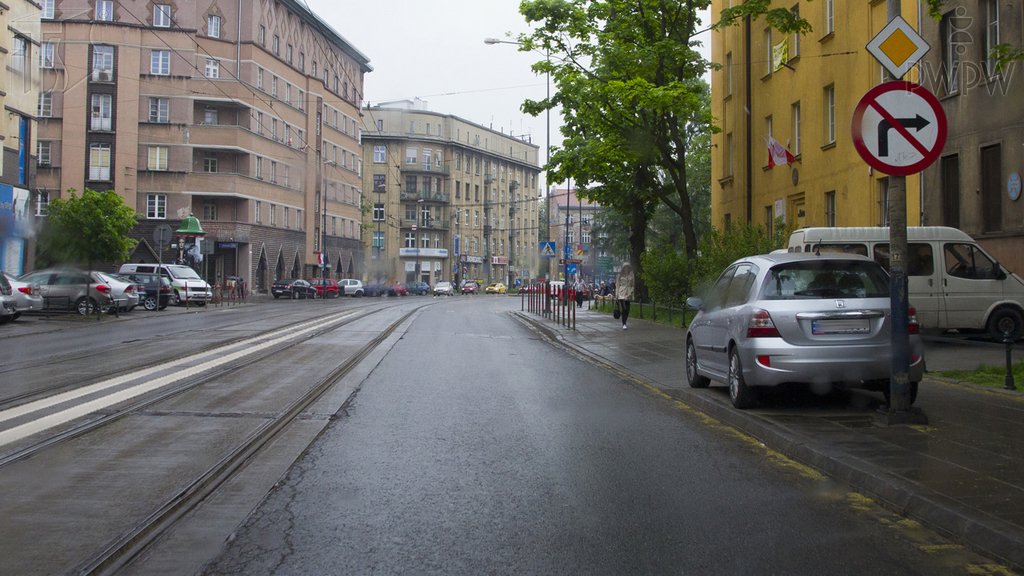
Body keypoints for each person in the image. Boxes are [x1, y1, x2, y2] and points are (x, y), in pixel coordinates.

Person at [615, 263, 634, 330]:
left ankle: (625, 320)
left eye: (627, 267)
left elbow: (633, 285)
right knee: (624, 308)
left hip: (628, 293)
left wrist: (631, 291)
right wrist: (617, 295)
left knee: (627, 309)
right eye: (625, 267)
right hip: (621, 293)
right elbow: (618, 286)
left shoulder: (631, 276)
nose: (626, 269)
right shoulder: (620, 276)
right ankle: (624, 323)